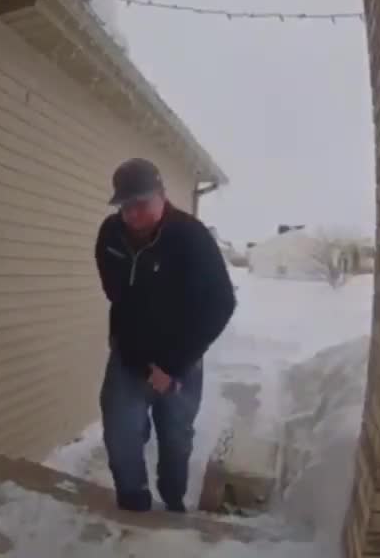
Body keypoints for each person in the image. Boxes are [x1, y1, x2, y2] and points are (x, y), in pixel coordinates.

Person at [94, 157, 237, 513]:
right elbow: (119, 297)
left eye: (141, 204)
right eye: (125, 205)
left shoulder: (190, 236)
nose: (132, 214)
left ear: (162, 196)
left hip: (181, 357)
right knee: (121, 434)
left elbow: (220, 304)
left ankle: (173, 501)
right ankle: (134, 504)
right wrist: (141, 360)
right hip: (130, 355)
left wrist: (171, 365)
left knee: (175, 438)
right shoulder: (111, 235)